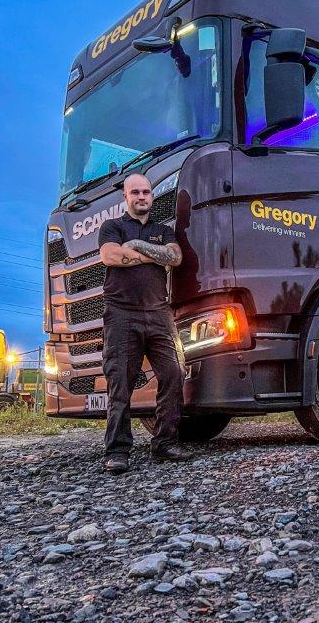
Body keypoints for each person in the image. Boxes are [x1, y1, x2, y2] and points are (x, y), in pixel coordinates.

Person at [98, 172, 193, 473]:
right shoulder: (112, 227)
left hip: (158, 313)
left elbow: (175, 257)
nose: (141, 197)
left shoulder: (162, 230)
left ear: (152, 197)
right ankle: (117, 451)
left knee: (174, 372)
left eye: (146, 192)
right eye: (135, 192)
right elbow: (111, 256)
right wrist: (154, 255)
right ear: (125, 197)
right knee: (120, 383)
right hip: (121, 313)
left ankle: (165, 442)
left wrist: (137, 245)